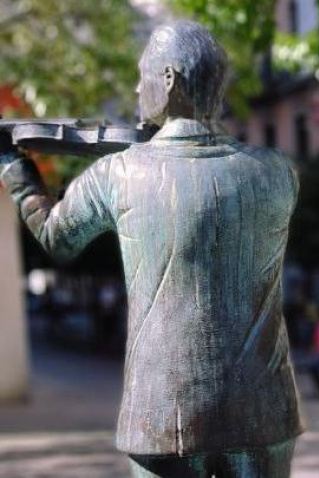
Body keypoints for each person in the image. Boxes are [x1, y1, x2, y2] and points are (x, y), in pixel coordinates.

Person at [0, 21, 302, 477]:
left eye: (144, 75)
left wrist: (17, 175)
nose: (138, 88)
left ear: (169, 80)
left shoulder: (119, 174)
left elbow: (56, 238)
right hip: (265, 409)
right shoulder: (278, 172)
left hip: (164, 414)